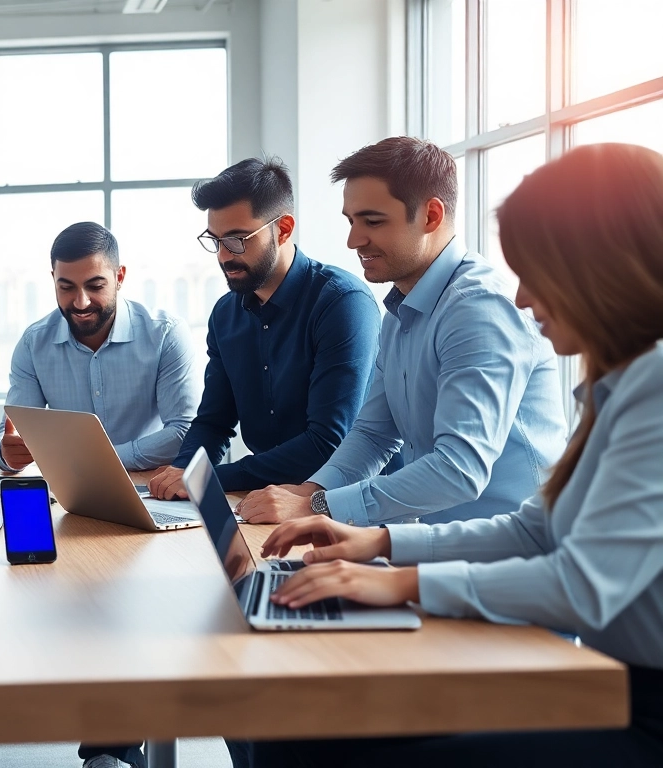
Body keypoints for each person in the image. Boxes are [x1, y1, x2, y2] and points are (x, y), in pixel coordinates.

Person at [233, 142, 663, 768]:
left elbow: (578, 583)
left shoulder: (644, 388)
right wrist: (376, 543)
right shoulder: (618, 382)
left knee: (320, 733)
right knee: (296, 727)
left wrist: (399, 578)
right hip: (595, 669)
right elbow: (535, 527)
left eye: (536, 273)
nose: (522, 299)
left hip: (627, 698)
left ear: (600, 268)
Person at [238, 137, 565, 526]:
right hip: (439, 548)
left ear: (430, 216)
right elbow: (374, 433)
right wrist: (310, 492)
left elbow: (458, 472)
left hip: (515, 562)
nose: (353, 240)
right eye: (351, 221)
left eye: (372, 221)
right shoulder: (399, 309)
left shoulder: (478, 309)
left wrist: (317, 509)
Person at [146, 157, 382, 502]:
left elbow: (327, 442)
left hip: (346, 505)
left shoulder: (343, 303)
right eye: (216, 240)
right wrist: (184, 471)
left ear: (283, 229)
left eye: (238, 239)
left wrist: (207, 481)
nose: (224, 256)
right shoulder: (226, 313)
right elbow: (214, 421)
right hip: (265, 500)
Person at [0, 222, 199, 473]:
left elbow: (184, 432)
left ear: (119, 277)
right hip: (74, 492)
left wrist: (97, 461)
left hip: (150, 488)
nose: (81, 302)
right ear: (53, 280)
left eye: (95, 286)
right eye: (66, 287)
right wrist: (7, 454)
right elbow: (8, 436)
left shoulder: (165, 334)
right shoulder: (33, 344)